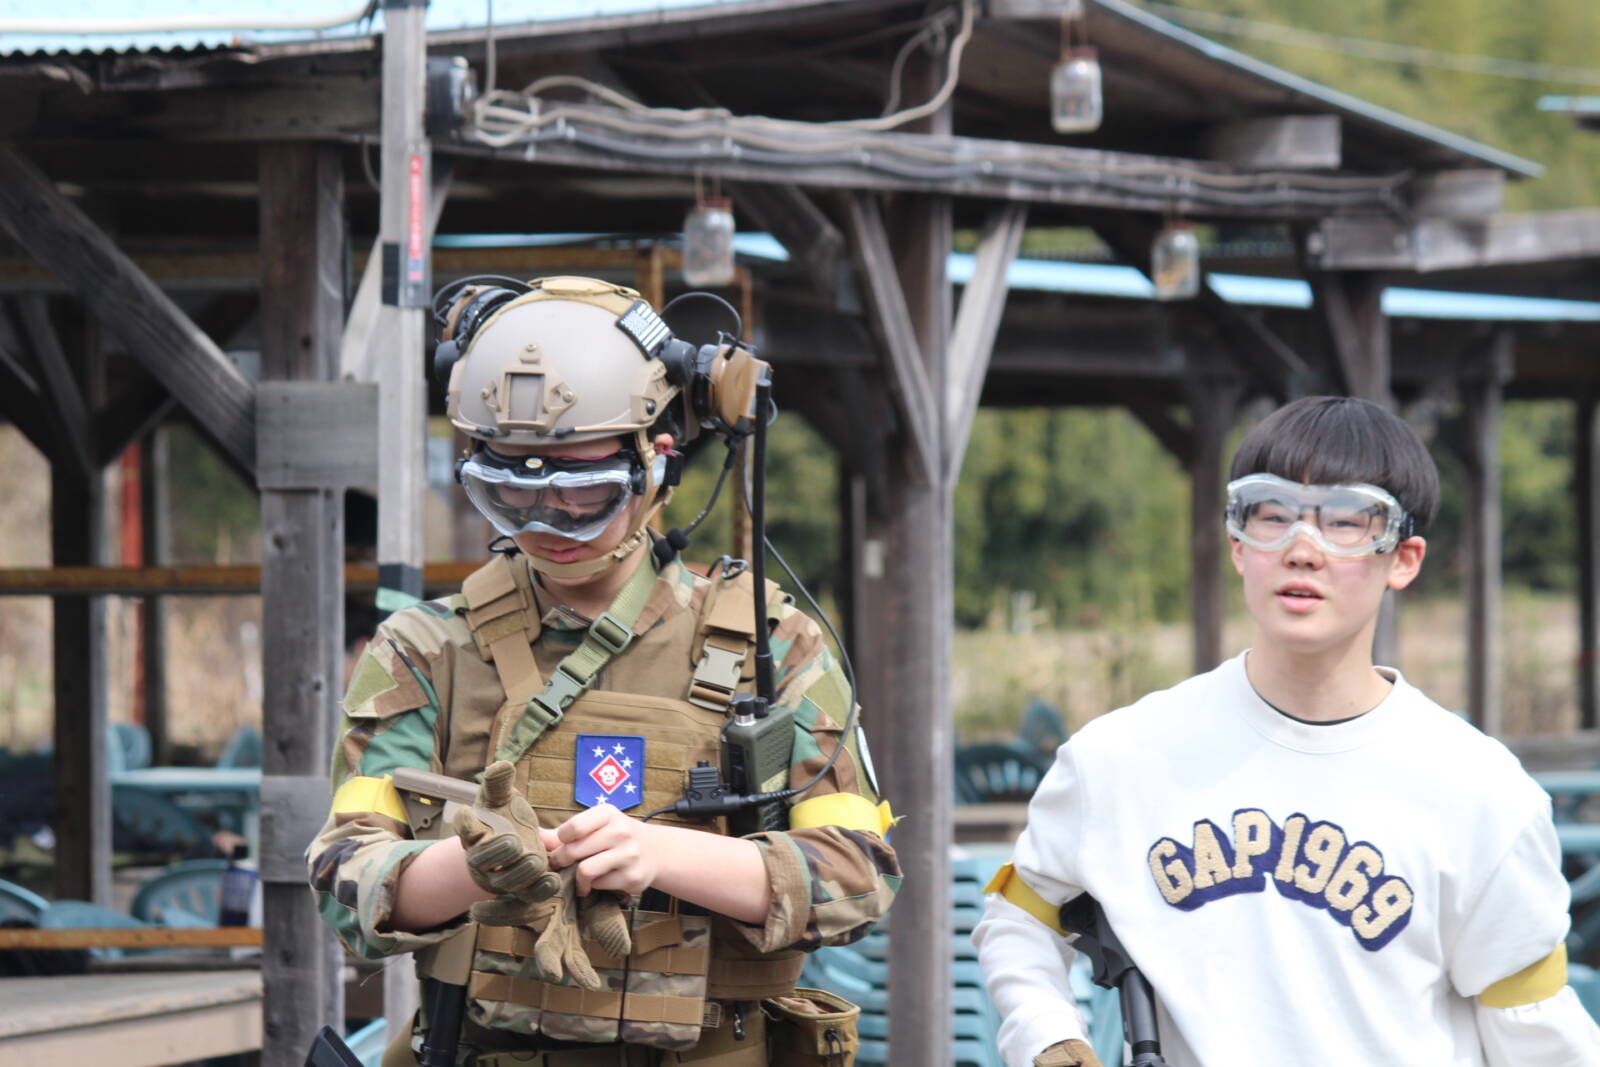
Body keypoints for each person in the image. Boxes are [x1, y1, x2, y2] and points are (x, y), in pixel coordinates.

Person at [307, 275, 898, 1066]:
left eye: (582, 492)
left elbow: (860, 876)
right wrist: (472, 866)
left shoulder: (774, 643)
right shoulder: (426, 648)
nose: (545, 522)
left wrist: (661, 855)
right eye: (508, 491)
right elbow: (344, 877)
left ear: (657, 460)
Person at [974, 395, 1600, 1067]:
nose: (1303, 549)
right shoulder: (1119, 757)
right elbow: (1019, 919)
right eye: (1272, 515)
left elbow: (1535, 1034)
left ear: (1404, 558)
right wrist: (1047, 1034)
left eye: (1347, 521)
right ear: (1238, 544)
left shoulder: (1483, 793)